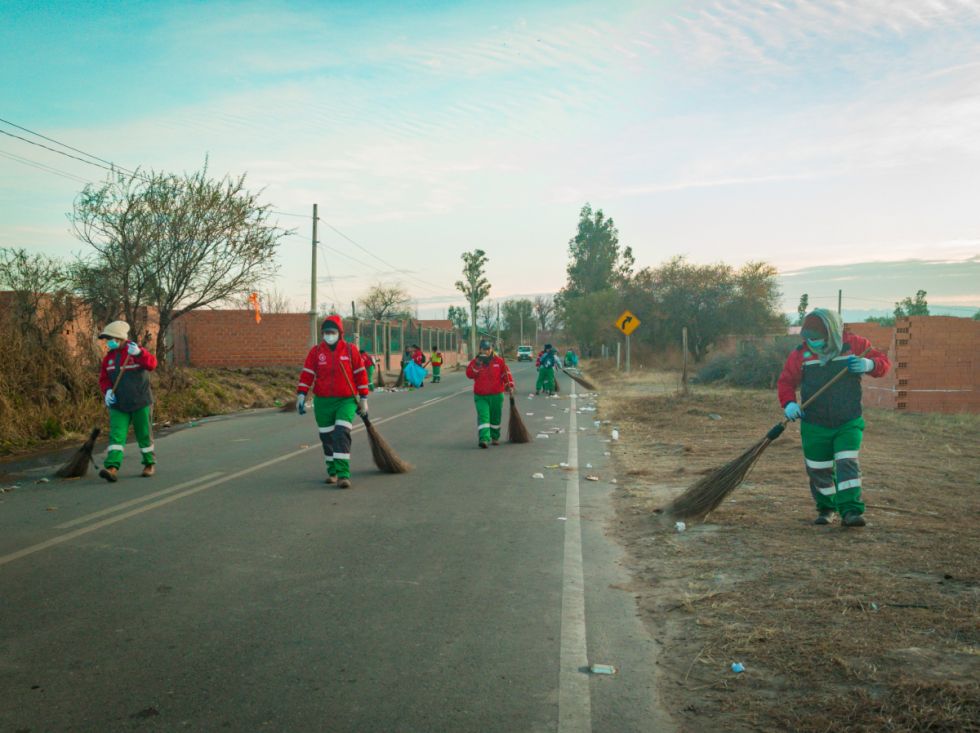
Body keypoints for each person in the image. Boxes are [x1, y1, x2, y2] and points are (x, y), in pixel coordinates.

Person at [777, 309, 891, 527]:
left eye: (817, 338)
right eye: (808, 338)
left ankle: (850, 511)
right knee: (818, 469)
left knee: (847, 463)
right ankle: (826, 508)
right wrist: (789, 403)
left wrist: (869, 365)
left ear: (831, 332)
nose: (812, 343)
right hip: (814, 423)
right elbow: (786, 382)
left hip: (848, 420)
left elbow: (882, 363)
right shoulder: (801, 354)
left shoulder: (855, 345)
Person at [296, 316, 370, 488]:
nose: (329, 335)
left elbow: (360, 374)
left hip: (346, 400)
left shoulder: (350, 350)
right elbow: (307, 374)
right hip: (323, 402)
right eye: (326, 332)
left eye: (332, 332)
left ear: (339, 333)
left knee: (341, 433)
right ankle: (333, 472)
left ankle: (343, 475)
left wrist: (363, 399)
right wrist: (301, 394)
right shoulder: (316, 352)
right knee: (327, 437)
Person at [97, 320, 158, 481]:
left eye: (109, 338)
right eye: (106, 339)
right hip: (118, 403)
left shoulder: (135, 351)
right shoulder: (109, 358)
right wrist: (107, 391)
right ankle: (112, 467)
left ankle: (149, 464)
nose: (107, 342)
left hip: (140, 402)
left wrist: (139, 354)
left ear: (119, 338)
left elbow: (152, 364)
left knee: (144, 434)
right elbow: (104, 378)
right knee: (116, 436)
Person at [466, 340, 515, 449]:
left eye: (488, 349)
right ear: (480, 349)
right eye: (484, 349)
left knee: (495, 418)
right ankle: (484, 439)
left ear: (491, 349)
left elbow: (506, 374)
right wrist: (477, 365)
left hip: (496, 395)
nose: (486, 351)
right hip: (481, 396)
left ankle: (495, 437)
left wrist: (509, 385)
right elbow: (469, 374)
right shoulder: (475, 361)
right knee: (484, 417)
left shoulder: (499, 361)